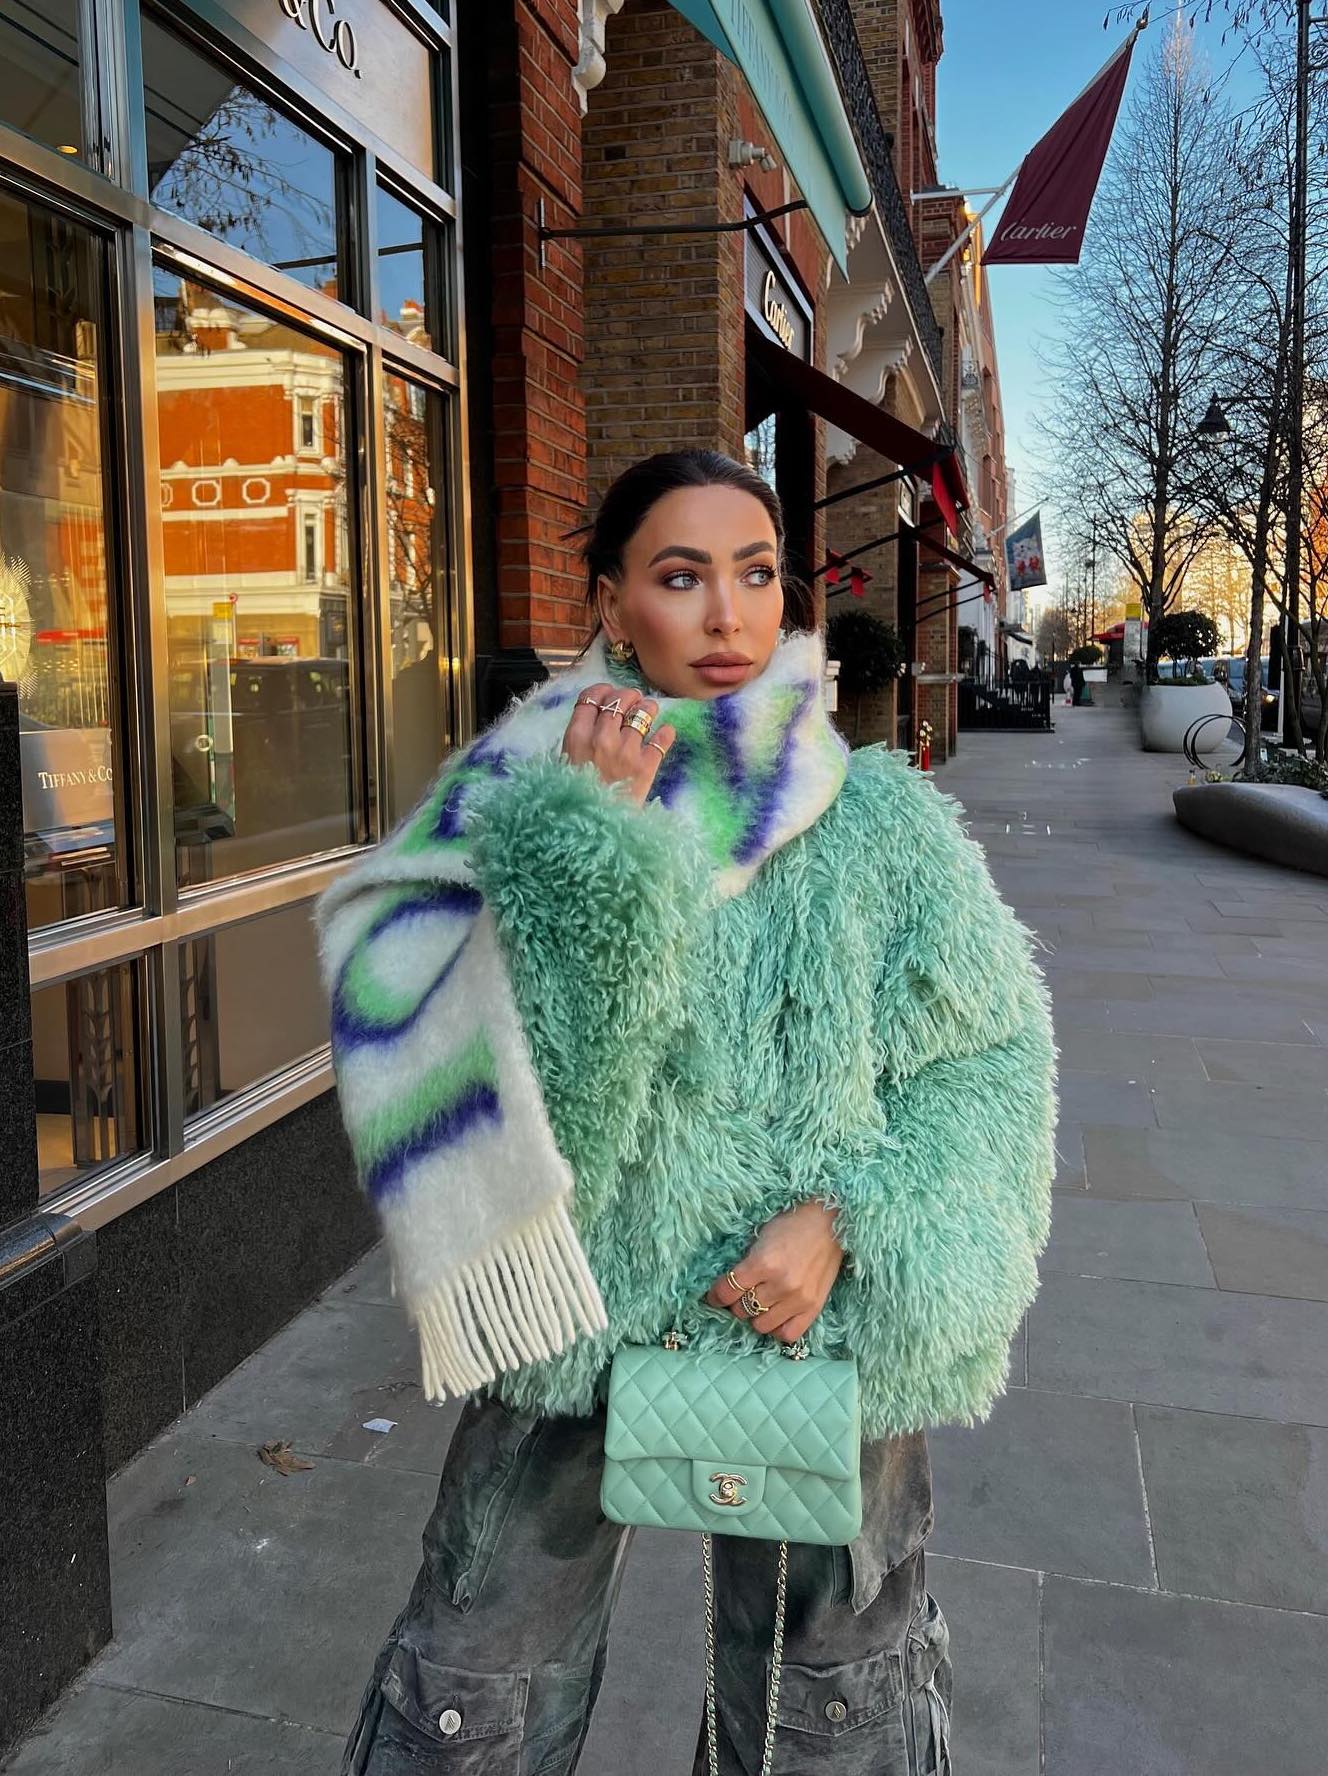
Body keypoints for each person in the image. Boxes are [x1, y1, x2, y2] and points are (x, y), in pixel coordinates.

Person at [320, 450, 1056, 1775]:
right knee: (472, 1695)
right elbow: (522, 1082)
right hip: (572, 1297)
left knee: (830, 1714)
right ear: (609, 604)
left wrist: (851, 1219)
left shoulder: (876, 819)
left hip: (813, 1321)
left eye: (756, 574)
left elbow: (990, 1069)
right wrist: (589, 851)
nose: (726, 615)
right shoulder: (516, 804)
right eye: (680, 576)